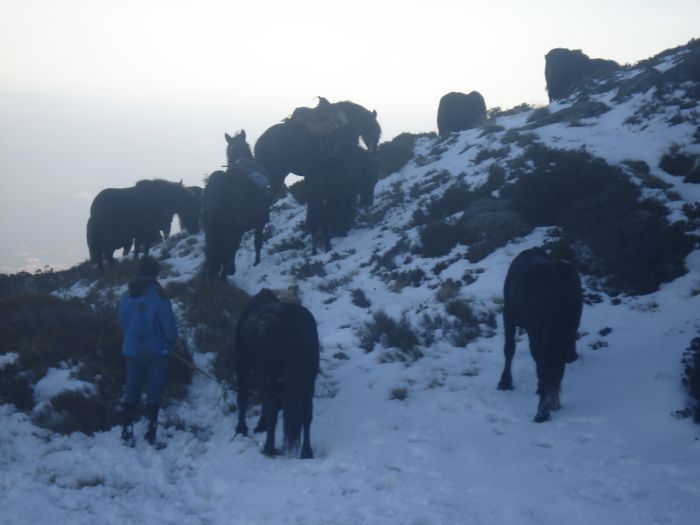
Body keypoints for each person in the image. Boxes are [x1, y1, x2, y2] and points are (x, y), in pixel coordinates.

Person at [118, 255, 178, 449]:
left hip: (132, 350)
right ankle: (150, 434)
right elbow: (168, 327)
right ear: (155, 273)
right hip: (156, 352)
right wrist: (170, 342)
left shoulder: (127, 295)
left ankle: (126, 432)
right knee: (154, 394)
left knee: (131, 392)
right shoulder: (159, 296)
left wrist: (133, 338)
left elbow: (124, 322)